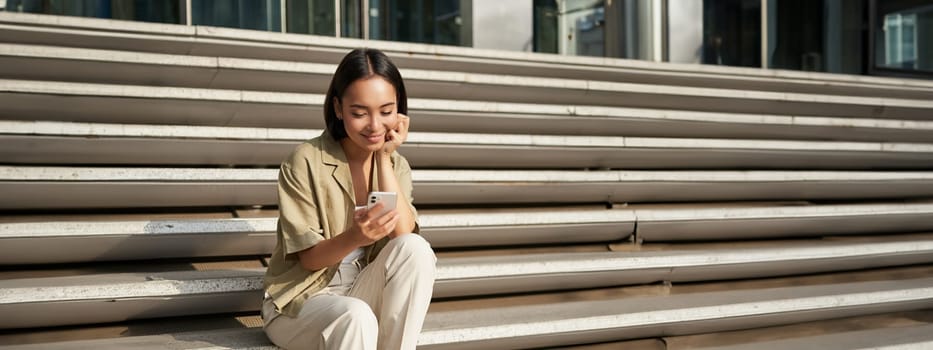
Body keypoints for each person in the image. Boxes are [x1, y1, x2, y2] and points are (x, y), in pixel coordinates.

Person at [262, 48, 436, 350]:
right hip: (302, 300)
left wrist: (383, 158)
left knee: (416, 249)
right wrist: (356, 236)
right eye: (359, 113)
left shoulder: (397, 165)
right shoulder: (305, 160)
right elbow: (310, 259)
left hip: (361, 289)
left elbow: (403, 236)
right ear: (338, 109)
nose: (374, 125)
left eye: (385, 111)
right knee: (356, 316)